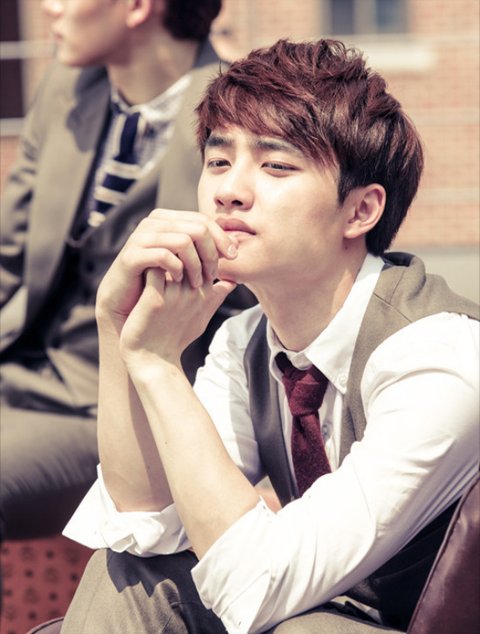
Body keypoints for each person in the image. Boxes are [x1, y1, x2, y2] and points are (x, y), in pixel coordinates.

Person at [61, 39, 478, 633]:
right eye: (218, 161)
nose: (229, 190)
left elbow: (259, 584)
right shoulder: (246, 341)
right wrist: (119, 330)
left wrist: (159, 364)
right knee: (128, 576)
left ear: (360, 211)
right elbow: (145, 522)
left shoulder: (436, 356)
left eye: (276, 166)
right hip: (309, 605)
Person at [0, 0, 256, 541]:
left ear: (139, 7)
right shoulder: (66, 88)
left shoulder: (241, 115)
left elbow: (249, 303)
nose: (49, 7)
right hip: (21, 369)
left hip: (116, 406)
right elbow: (9, 252)